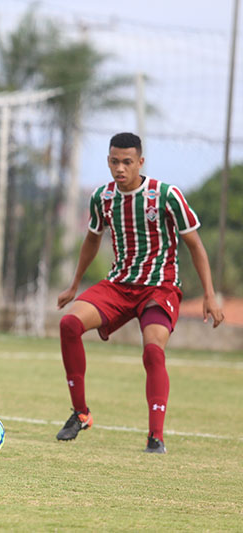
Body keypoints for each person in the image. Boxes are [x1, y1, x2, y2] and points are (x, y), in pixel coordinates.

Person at [56, 132, 224, 453]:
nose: (120, 168)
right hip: (119, 285)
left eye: (127, 162)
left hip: (160, 288)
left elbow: (195, 245)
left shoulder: (166, 195)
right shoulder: (102, 198)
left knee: (152, 351)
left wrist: (210, 294)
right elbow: (92, 239)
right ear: (108, 161)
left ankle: (155, 437)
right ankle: (80, 413)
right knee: (69, 325)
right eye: (114, 161)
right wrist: (75, 284)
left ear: (140, 162)